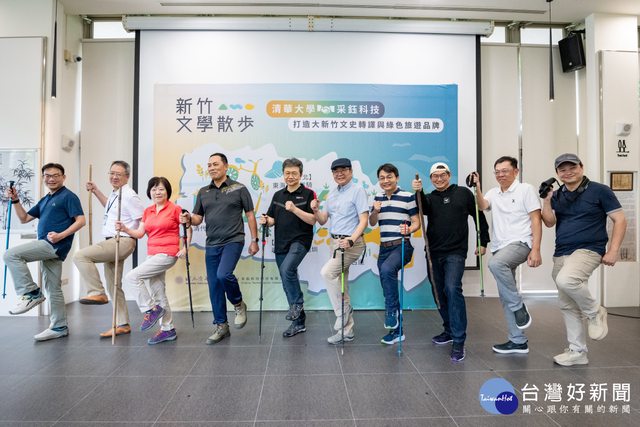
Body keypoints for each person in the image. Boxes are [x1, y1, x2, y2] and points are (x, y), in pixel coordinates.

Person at [541, 153, 626, 367]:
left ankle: (595, 312)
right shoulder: (557, 194)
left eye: (572, 167)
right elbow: (549, 222)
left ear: (581, 167)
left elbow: (620, 220)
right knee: (567, 304)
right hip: (562, 251)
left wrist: (613, 250)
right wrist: (547, 200)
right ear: (557, 173)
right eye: (562, 169)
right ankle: (578, 351)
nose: (568, 172)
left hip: (589, 249)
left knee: (567, 280)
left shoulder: (600, 191)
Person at [412, 162, 489, 362]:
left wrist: (483, 241)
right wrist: (418, 192)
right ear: (431, 179)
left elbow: (479, 216)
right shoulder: (430, 198)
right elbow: (422, 207)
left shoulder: (463, 193)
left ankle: (458, 340)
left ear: (449, 175)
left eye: (442, 175)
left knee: (452, 288)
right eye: (435, 176)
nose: (439, 179)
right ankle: (449, 329)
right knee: (438, 292)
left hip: (456, 252)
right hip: (433, 252)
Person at [181, 153, 259, 344]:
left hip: (234, 240)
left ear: (226, 167)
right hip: (212, 243)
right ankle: (221, 326)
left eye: (215, 164)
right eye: (209, 165)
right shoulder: (203, 192)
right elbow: (198, 218)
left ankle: (238, 304)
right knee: (215, 285)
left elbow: (250, 215)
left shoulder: (239, 188)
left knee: (224, 275)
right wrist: (189, 218)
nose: (212, 168)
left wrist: (254, 240)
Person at [4, 163, 85, 341]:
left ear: (63, 177)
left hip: (53, 245)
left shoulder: (68, 196)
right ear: (43, 178)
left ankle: (31, 293)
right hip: (50, 247)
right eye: (47, 176)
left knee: (11, 254)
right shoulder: (45, 199)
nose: (51, 179)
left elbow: (81, 221)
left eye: (56, 175)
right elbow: (24, 218)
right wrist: (16, 200)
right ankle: (59, 327)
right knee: (53, 288)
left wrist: (60, 235)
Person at [473, 156, 542, 355]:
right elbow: (482, 205)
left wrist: (536, 249)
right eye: (497, 172)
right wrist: (477, 187)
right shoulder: (493, 193)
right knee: (505, 295)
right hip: (499, 246)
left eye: (505, 170)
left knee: (495, 264)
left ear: (516, 171)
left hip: (521, 242)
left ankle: (519, 306)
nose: (500, 174)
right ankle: (518, 341)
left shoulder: (526, 189)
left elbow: (536, 220)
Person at [73, 160, 145, 338]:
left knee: (81, 256)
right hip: (114, 241)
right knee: (114, 285)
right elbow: (110, 207)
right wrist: (96, 191)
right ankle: (122, 324)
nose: (114, 177)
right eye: (112, 173)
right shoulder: (116, 193)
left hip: (122, 240)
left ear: (127, 176)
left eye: (118, 174)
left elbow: (143, 218)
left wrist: (131, 232)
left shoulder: (129, 195)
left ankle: (97, 292)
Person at [116, 177, 191, 345]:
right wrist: (125, 228)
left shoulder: (175, 209)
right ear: (149, 192)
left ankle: (150, 309)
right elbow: (140, 233)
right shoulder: (148, 211)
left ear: (167, 192)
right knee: (159, 292)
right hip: (152, 254)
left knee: (131, 277)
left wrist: (185, 248)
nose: (157, 192)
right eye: (154, 189)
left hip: (167, 253)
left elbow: (188, 228)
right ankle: (168, 329)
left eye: (161, 189)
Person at [311, 157, 368, 345]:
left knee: (327, 273)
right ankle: (347, 331)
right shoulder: (332, 193)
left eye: (343, 170)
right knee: (342, 286)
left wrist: (351, 239)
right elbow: (322, 220)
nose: (339, 174)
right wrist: (315, 210)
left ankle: (342, 312)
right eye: (336, 171)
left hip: (352, 243)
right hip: (335, 244)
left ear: (351, 171)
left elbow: (364, 220)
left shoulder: (358, 190)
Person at [260, 158, 316, 338]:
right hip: (281, 242)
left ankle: (297, 304)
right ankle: (299, 322)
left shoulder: (309, 194)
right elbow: (272, 219)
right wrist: (266, 221)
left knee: (287, 269)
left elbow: (313, 220)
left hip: (300, 240)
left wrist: (294, 209)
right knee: (287, 279)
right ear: (283, 174)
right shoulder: (278, 195)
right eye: (287, 173)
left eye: (294, 173)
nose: (290, 176)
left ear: (301, 175)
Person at [369, 163, 419, 345]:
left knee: (387, 270)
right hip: (384, 248)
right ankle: (397, 331)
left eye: (389, 177)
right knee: (387, 283)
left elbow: (416, 222)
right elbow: (372, 222)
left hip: (402, 245)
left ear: (396, 178)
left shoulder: (407, 197)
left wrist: (409, 229)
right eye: (382, 178)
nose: (386, 181)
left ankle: (391, 312)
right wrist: (375, 210)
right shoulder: (378, 198)